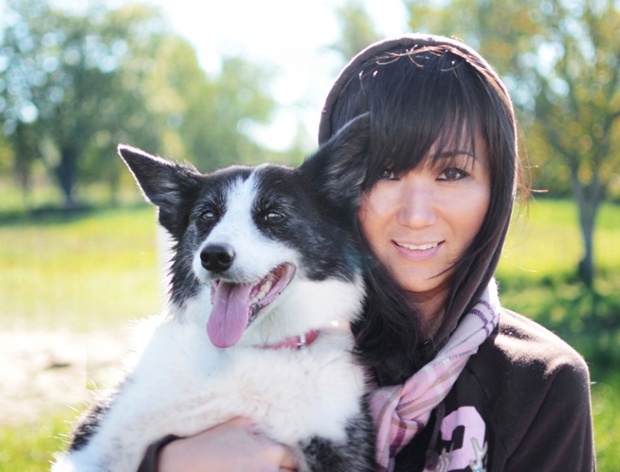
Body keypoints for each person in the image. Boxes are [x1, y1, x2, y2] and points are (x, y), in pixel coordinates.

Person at [140, 33, 595, 471]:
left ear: (497, 191)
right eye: (386, 173)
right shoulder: (250, 336)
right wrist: (162, 464)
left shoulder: (541, 383)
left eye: (453, 173)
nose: (417, 215)